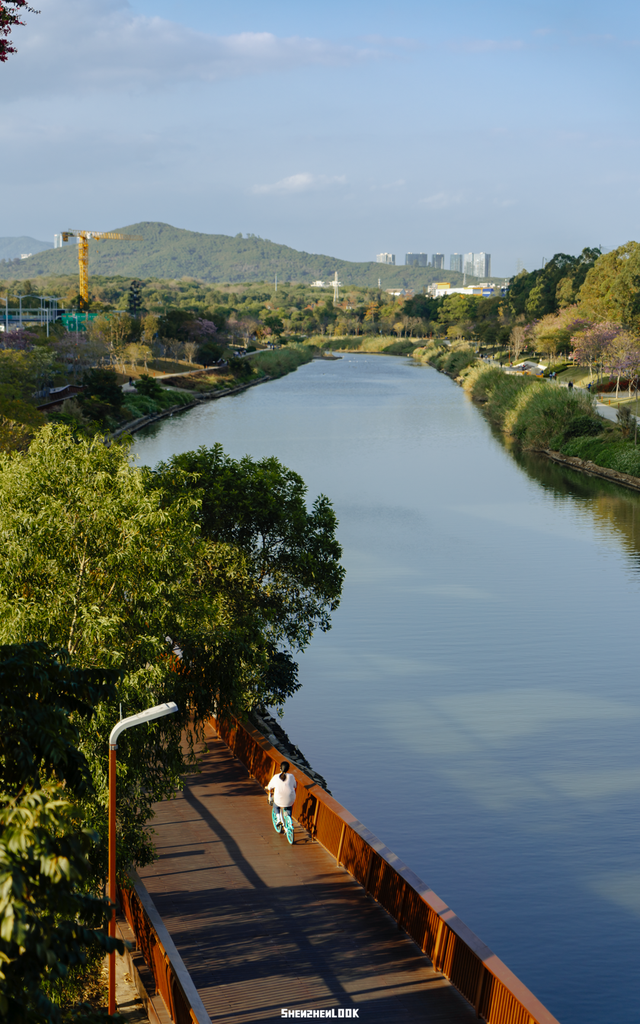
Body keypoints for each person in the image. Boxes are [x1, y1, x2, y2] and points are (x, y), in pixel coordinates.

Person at [267, 761, 297, 830]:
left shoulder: (275, 777)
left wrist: (267, 788)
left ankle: (278, 819)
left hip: (279, 799)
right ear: (288, 769)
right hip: (290, 798)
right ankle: (289, 820)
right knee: (289, 806)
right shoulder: (291, 776)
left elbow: (269, 787)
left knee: (276, 805)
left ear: (280, 768)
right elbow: (295, 785)